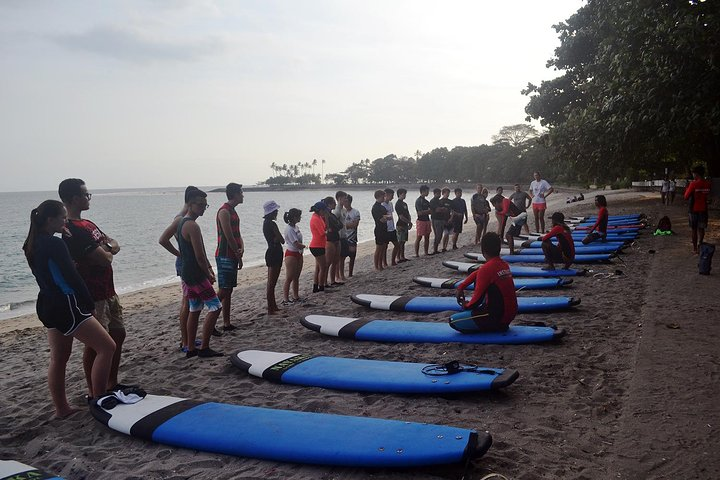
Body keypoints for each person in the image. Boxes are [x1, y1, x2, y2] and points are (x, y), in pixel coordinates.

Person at [23, 200, 116, 417]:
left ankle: (62, 409)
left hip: (47, 304)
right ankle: (99, 402)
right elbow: (72, 277)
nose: (66, 220)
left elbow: (49, 271)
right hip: (67, 304)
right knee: (107, 348)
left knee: (59, 358)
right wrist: (88, 303)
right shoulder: (55, 244)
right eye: (62, 217)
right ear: (50, 219)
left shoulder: (32, 243)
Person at [59, 178, 125, 394]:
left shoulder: (88, 225)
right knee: (97, 344)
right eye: (86, 194)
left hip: (109, 290)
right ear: (74, 198)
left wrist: (106, 248)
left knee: (118, 334)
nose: (89, 198)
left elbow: (113, 243)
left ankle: (111, 382)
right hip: (93, 293)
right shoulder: (71, 230)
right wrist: (107, 249)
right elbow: (105, 258)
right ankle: (95, 390)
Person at [176, 188, 223, 357]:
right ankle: (204, 347)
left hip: (187, 273)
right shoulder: (192, 225)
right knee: (216, 306)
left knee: (195, 308)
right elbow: (200, 255)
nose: (203, 208)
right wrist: (209, 273)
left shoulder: (181, 221)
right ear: (189, 204)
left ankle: (190, 347)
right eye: (200, 204)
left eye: (205, 205)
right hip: (195, 274)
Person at [449, 232, 517, 333]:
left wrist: (465, 305)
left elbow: (475, 303)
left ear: (483, 250)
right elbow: (478, 272)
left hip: (496, 319)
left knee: (453, 320)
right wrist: (461, 286)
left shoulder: (486, 269)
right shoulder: (504, 265)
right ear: (499, 249)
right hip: (509, 316)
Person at [159, 186, 199, 352]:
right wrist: (180, 254)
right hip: (185, 264)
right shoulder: (180, 218)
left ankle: (189, 339)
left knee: (190, 302)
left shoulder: (185, 217)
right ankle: (185, 341)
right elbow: (164, 239)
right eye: (200, 202)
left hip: (187, 262)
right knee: (186, 302)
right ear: (191, 201)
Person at [215, 182, 244, 331]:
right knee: (224, 289)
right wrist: (237, 253)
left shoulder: (233, 211)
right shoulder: (224, 211)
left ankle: (226, 322)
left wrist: (241, 249)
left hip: (232, 254)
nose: (243, 195)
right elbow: (228, 235)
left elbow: (237, 233)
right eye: (241, 192)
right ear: (234, 194)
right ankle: (212, 318)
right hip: (225, 254)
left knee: (229, 289)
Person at [263, 200, 285, 313]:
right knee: (272, 283)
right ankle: (271, 308)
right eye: (275, 211)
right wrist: (278, 238)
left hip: (271, 251)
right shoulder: (272, 224)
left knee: (270, 283)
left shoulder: (265, 223)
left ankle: (272, 306)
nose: (276, 213)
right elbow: (282, 240)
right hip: (275, 252)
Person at [684, 165, 712, 254]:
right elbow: (708, 197)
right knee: (701, 229)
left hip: (693, 210)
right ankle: (701, 245)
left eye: (693, 174)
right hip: (703, 209)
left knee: (694, 229)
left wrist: (687, 187)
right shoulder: (708, 183)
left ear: (696, 174)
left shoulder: (693, 184)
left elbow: (686, 196)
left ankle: (695, 249)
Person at [282, 208, 305, 304]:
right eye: (299, 216)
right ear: (294, 217)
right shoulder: (289, 229)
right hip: (291, 254)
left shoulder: (296, 227)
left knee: (296, 276)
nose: (300, 218)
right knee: (289, 277)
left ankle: (296, 296)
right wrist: (303, 246)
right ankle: (285, 298)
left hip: (298, 253)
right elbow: (295, 243)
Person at [309, 201, 330, 292]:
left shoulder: (319, 217)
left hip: (320, 245)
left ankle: (316, 285)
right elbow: (322, 233)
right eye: (324, 210)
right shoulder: (315, 219)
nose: (324, 212)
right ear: (320, 210)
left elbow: (325, 227)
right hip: (317, 245)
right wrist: (327, 232)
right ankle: (321, 286)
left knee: (319, 267)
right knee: (323, 267)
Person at [323, 196, 344, 285]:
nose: (335, 204)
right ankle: (324, 282)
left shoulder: (332, 215)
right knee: (328, 262)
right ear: (329, 204)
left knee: (335, 261)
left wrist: (335, 227)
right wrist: (334, 227)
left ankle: (332, 280)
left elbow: (340, 225)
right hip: (330, 239)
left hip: (336, 237)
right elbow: (329, 227)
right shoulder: (326, 215)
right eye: (333, 203)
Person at [332, 191, 348, 284]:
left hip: (344, 235)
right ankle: (338, 276)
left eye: (346, 198)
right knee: (339, 258)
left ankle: (342, 274)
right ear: (339, 199)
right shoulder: (337, 211)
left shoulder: (343, 210)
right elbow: (334, 223)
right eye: (344, 198)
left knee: (343, 257)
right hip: (339, 236)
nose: (345, 200)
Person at [371, 190, 390, 270]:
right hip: (379, 229)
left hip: (384, 228)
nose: (384, 198)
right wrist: (386, 217)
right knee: (379, 248)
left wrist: (386, 217)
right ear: (378, 196)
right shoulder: (375, 207)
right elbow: (381, 219)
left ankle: (381, 264)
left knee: (383, 247)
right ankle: (376, 266)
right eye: (383, 196)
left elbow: (389, 217)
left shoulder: (382, 207)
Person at [343, 195, 360, 277]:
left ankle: (350, 273)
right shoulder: (341, 212)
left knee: (352, 256)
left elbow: (355, 225)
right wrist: (348, 224)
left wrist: (345, 225)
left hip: (352, 238)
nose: (344, 203)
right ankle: (341, 274)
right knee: (341, 257)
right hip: (343, 237)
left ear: (350, 202)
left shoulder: (355, 212)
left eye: (346, 201)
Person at [414, 185, 432, 256]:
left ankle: (426, 252)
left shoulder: (426, 201)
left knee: (427, 236)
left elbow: (431, 211)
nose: (428, 193)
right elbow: (420, 213)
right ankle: (416, 253)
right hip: (421, 220)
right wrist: (428, 211)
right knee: (419, 237)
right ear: (423, 191)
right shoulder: (419, 201)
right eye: (427, 191)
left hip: (427, 220)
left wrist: (428, 211)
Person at [394, 188, 412, 262]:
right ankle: (398, 257)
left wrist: (409, 221)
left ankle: (402, 256)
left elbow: (408, 213)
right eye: (404, 194)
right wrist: (408, 222)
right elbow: (401, 216)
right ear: (400, 194)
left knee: (403, 241)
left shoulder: (404, 204)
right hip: (400, 224)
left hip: (405, 224)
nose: (405, 195)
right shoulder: (398, 204)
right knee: (400, 241)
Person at [382, 188, 399, 266]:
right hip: (385, 229)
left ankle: (392, 260)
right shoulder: (382, 205)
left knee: (397, 245)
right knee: (384, 247)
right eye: (392, 195)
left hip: (392, 227)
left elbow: (391, 215)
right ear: (387, 195)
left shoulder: (390, 204)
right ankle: (384, 262)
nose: (392, 197)